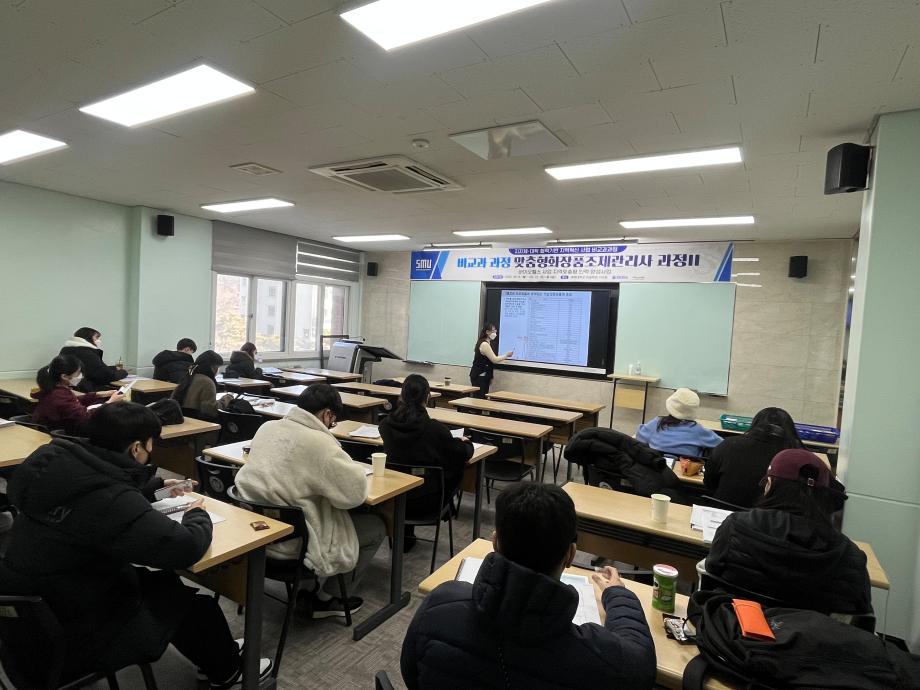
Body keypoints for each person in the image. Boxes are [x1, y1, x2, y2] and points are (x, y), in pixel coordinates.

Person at [0, 403, 272, 687]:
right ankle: (229, 674)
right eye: (151, 444)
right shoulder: (109, 500)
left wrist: (151, 488)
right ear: (136, 448)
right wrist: (197, 514)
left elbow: (90, 492)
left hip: (32, 611)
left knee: (165, 586)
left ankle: (215, 657)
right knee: (194, 606)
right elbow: (185, 548)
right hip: (70, 629)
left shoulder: (56, 461)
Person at [401, 482, 656, 690]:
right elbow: (641, 665)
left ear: (495, 542)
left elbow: (411, 675)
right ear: (570, 555)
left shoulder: (439, 603)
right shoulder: (602, 659)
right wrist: (618, 594)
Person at [234, 383, 385, 618]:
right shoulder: (320, 444)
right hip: (297, 545)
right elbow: (354, 495)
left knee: (309, 504)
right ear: (327, 414)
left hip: (257, 533)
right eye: (333, 422)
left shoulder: (267, 427)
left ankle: (306, 588)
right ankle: (325, 598)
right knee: (375, 526)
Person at [704, 448, 871, 616]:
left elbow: (711, 574)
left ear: (769, 485)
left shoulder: (735, 528)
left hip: (734, 627)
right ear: (825, 498)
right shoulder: (850, 557)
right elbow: (861, 615)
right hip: (811, 633)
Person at [379, 374, 474, 551]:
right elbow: (462, 454)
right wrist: (466, 443)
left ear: (401, 395)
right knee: (453, 466)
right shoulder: (435, 429)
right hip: (428, 503)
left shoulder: (385, 426)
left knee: (407, 465)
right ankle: (447, 510)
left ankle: (405, 537)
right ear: (428, 397)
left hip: (394, 498)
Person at [704, 407, 803, 507]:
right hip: (767, 515)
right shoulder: (796, 457)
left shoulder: (728, 445)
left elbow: (709, 482)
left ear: (755, 425)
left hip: (722, 511)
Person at [32, 355, 125, 434]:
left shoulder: (54, 389)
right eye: (78, 373)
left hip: (63, 427)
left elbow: (72, 401)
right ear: (64, 376)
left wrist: (99, 394)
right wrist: (110, 402)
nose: (81, 376)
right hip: (67, 433)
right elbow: (85, 417)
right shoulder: (58, 394)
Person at [635, 388, 723, 457]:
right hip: (686, 472)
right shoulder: (697, 430)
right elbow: (722, 445)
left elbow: (639, 435)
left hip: (657, 470)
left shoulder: (656, 423)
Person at [59, 327, 127, 392]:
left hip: (73, 388)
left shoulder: (66, 350)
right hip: (87, 390)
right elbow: (106, 376)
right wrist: (124, 372)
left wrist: (114, 368)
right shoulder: (87, 353)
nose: (99, 341)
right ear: (87, 338)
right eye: (97, 337)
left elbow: (92, 369)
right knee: (124, 391)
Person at [171, 350, 227, 421]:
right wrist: (226, 399)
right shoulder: (207, 382)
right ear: (213, 368)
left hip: (181, 419)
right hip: (199, 422)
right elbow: (211, 411)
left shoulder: (187, 377)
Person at [469, 324, 513, 397]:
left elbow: (489, 361)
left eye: (495, 331)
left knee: (483, 397)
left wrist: (490, 376)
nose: (495, 333)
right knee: (479, 398)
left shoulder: (488, 343)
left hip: (484, 376)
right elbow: (494, 360)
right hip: (479, 376)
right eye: (493, 331)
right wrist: (506, 355)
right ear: (487, 332)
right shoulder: (484, 344)